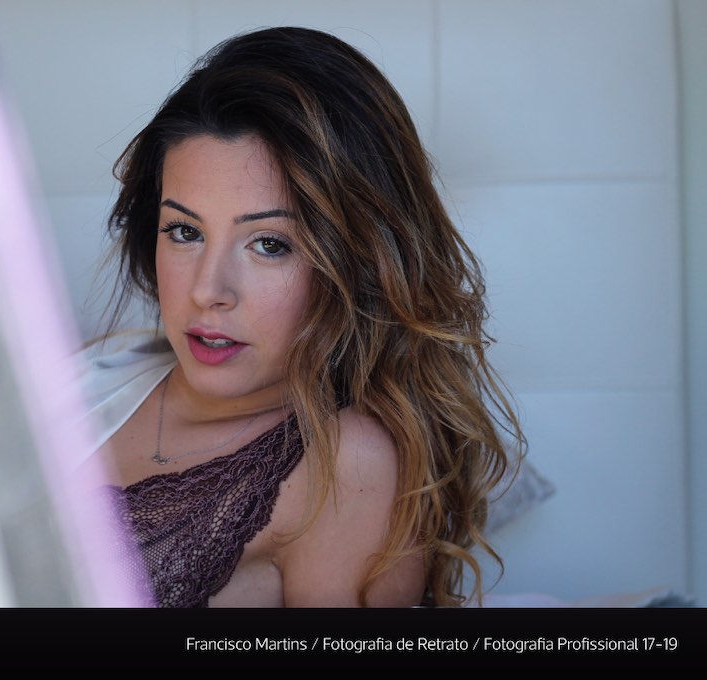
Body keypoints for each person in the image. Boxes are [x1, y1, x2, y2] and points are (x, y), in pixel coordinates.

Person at [74, 26, 523, 608]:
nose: (208, 291)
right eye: (184, 231)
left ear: (360, 262)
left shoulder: (346, 467)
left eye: (270, 244)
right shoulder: (95, 370)